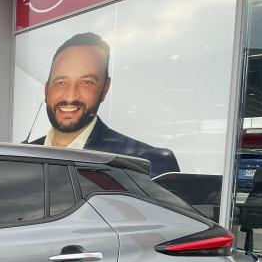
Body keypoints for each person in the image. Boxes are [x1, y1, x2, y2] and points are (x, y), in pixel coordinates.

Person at [30, 32, 179, 176]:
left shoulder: (147, 165)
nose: (71, 95)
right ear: (46, 90)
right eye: (61, 82)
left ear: (104, 89)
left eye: (86, 82)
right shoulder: (16, 156)